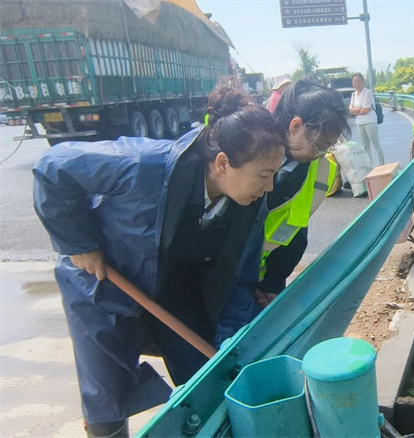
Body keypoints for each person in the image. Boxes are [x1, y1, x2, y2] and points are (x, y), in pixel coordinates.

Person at [32, 86, 287, 437]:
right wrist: (79, 243)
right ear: (224, 163)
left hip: (172, 288)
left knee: (206, 376)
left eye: (274, 173)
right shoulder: (145, 165)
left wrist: (229, 343)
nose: (270, 186)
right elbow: (52, 166)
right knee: (107, 393)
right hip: (103, 281)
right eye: (263, 175)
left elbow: (237, 279)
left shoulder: (250, 205)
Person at [254, 80, 351, 306]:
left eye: (328, 147)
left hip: (268, 286)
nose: (322, 154)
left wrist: (271, 285)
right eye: (319, 145)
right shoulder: (253, 159)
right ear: (296, 125)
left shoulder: (319, 170)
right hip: (232, 283)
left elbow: (295, 235)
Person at [349, 72, 384, 166]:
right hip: (359, 123)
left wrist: (356, 111)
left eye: (358, 81)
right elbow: (350, 110)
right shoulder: (353, 95)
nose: (356, 83)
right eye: (355, 81)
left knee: (375, 143)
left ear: (362, 81)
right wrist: (358, 110)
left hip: (370, 121)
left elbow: (366, 110)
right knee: (365, 146)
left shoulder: (367, 92)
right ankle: (369, 165)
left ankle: (381, 164)